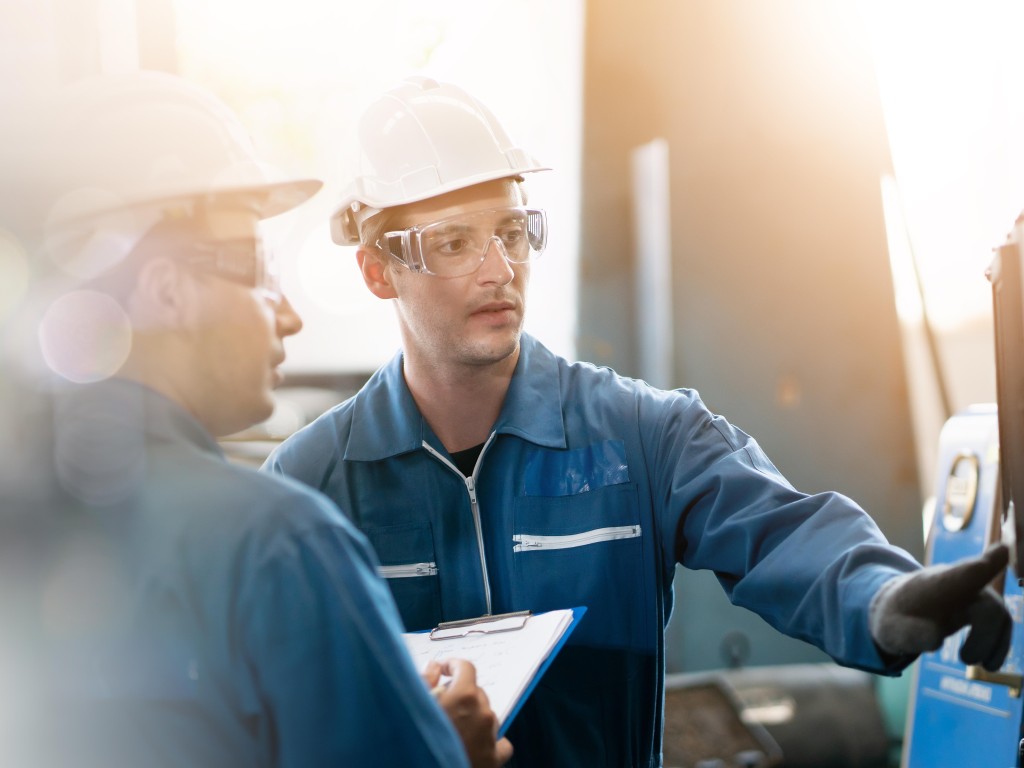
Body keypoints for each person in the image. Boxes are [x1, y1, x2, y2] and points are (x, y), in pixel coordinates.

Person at [262, 76, 1012, 767]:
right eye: (455, 242)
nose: (499, 269)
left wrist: (879, 597)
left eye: (512, 233)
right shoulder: (310, 487)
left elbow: (780, 530)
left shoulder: (642, 436)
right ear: (378, 270)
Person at [0, 71, 510, 768]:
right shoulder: (280, 545)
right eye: (258, 268)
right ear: (167, 291)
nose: (289, 314)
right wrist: (447, 756)